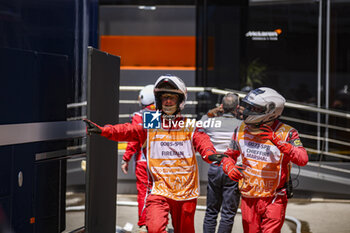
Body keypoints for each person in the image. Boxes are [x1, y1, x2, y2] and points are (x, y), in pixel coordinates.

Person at [84, 74, 220, 233]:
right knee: (154, 229)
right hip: (159, 190)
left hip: (185, 192)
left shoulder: (190, 125)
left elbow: (203, 141)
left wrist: (210, 154)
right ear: (158, 100)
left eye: (172, 97)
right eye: (164, 97)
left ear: (180, 100)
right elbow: (128, 130)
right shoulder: (151, 124)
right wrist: (104, 130)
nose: (168, 101)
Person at [221, 87, 309, 233]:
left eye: (253, 108)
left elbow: (303, 159)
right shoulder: (240, 129)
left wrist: (278, 142)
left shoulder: (287, 133)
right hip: (249, 198)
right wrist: (229, 167)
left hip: (275, 198)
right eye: (247, 106)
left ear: (270, 111)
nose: (247, 111)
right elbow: (228, 156)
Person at [202, 93, 242, 233]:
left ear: (221, 106)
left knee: (211, 212)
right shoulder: (242, 125)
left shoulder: (210, 121)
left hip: (215, 167)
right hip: (233, 169)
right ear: (237, 107)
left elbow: (202, 121)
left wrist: (211, 112)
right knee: (228, 214)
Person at [121, 84, 155, 232]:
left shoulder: (139, 116)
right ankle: (159, 222)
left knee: (144, 192)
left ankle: (144, 224)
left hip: (144, 161)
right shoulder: (166, 115)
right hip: (163, 162)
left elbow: (134, 139)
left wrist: (126, 158)